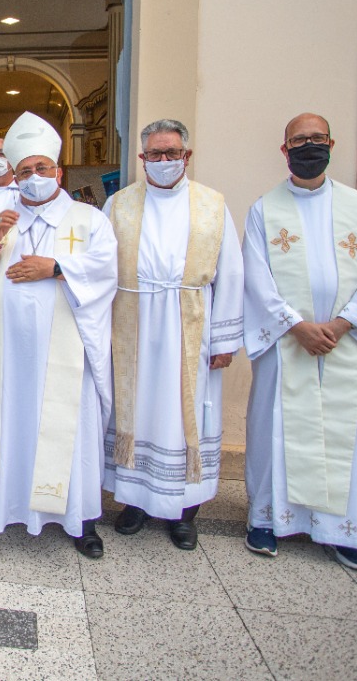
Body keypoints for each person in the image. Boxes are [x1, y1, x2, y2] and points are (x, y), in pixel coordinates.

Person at [242, 114, 357, 571]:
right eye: (299, 140)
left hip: (342, 342)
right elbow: (256, 278)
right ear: (284, 149)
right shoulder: (264, 210)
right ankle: (265, 520)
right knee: (273, 430)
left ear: (331, 143)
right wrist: (297, 326)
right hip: (287, 342)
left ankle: (339, 529)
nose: (308, 146)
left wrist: (344, 324)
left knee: (339, 432)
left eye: (316, 139)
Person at [0, 112, 117, 558]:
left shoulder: (88, 219)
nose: (33, 178)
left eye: (41, 169)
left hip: (66, 348)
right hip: (12, 352)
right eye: (24, 171)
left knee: (73, 427)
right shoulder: (5, 220)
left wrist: (56, 267)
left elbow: (107, 270)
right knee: (9, 420)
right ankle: (3, 500)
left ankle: (81, 517)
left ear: (58, 172)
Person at [103, 119, 244, 550]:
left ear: (187, 155)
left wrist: (222, 340)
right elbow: (101, 269)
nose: (164, 161)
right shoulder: (119, 205)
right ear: (142, 159)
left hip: (191, 327)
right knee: (138, 412)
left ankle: (186, 512)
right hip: (134, 326)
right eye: (155, 155)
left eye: (172, 153)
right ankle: (135, 504)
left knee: (188, 419)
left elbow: (233, 274)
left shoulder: (212, 206)